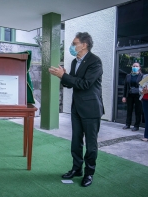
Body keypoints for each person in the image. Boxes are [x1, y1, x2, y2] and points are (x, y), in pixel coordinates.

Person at [49, 32, 104, 187]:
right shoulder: (74, 62)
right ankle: (77, 169)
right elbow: (71, 83)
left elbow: (85, 84)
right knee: (76, 142)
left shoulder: (95, 62)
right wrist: (63, 75)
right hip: (77, 108)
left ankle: (89, 173)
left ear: (84, 45)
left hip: (91, 109)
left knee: (91, 145)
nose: (72, 46)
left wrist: (65, 77)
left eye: (74, 43)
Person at [122, 63, 143, 131]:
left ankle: (136, 126)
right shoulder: (128, 76)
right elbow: (125, 87)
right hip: (129, 95)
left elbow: (143, 86)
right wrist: (124, 96)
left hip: (138, 96)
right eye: (133, 66)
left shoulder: (142, 76)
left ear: (139, 67)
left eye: (136, 66)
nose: (135, 67)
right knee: (129, 110)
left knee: (138, 111)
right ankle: (128, 124)